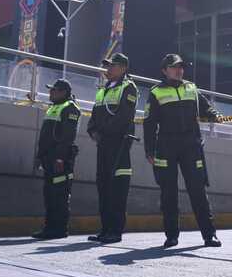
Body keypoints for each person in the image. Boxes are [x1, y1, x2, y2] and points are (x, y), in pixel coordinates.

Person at [144, 53, 222, 248]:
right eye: (174, 67)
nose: (179, 70)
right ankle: (171, 236)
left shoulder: (191, 88)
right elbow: (149, 123)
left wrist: (215, 115)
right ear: (165, 71)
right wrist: (150, 151)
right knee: (168, 193)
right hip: (165, 147)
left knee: (198, 191)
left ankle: (209, 235)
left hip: (191, 146)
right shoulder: (156, 92)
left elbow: (206, 108)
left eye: (181, 67)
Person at [86, 52, 138, 243]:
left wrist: (104, 133)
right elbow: (93, 116)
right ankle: (105, 229)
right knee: (103, 186)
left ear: (123, 68)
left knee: (117, 189)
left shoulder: (128, 87)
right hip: (103, 144)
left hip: (119, 145)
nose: (107, 69)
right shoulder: (103, 90)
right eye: (107, 66)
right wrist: (93, 131)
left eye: (112, 66)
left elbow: (123, 117)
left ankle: (115, 231)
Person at [32, 79, 80, 240]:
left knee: (59, 195)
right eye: (50, 90)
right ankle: (49, 228)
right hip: (48, 158)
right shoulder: (53, 107)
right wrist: (39, 156)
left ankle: (59, 229)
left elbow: (67, 137)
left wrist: (60, 158)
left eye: (54, 90)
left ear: (63, 92)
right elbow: (45, 136)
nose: (50, 93)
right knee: (49, 194)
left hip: (60, 160)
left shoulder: (70, 108)